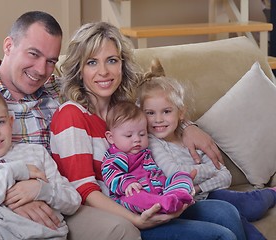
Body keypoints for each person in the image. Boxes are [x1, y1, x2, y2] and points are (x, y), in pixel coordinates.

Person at [0, 11, 140, 240]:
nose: (41, 70)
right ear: (9, 46)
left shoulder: (59, 91)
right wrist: (10, 189)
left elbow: (116, 106)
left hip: (51, 204)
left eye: (50, 61)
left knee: (120, 231)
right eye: (33, 54)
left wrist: (181, 127)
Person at [50, 21, 246, 240]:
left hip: (157, 197)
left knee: (226, 212)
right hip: (123, 211)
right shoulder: (71, 115)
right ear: (79, 69)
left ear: (122, 65)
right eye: (92, 62)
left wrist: (188, 126)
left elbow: (163, 120)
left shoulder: (126, 109)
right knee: (220, 236)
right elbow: (84, 190)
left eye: (112, 60)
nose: (103, 71)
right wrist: (137, 221)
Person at [137, 68, 276, 240]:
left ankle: (269, 194)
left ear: (181, 113)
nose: (158, 119)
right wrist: (209, 171)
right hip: (186, 202)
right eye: (150, 113)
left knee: (244, 211)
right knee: (241, 208)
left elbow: (225, 176)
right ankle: (267, 195)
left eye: (166, 111)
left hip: (204, 194)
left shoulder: (191, 139)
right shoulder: (152, 142)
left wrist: (198, 188)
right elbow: (175, 173)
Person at [0, 82, 81, 239]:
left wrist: (41, 190)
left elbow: (73, 201)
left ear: (11, 121)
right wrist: (11, 172)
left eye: (0, 122)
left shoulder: (35, 153)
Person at [101, 100, 195, 214]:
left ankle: (175, 197)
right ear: (111, 137)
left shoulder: (145, 152)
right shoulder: (119, 156)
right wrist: (127, 183)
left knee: (181, 175)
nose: (137, 139)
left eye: (142, 134)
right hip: (133, 194)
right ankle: (164, 204)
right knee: (135, 197)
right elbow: (111, 173)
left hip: (161, 190)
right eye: (128, 135)